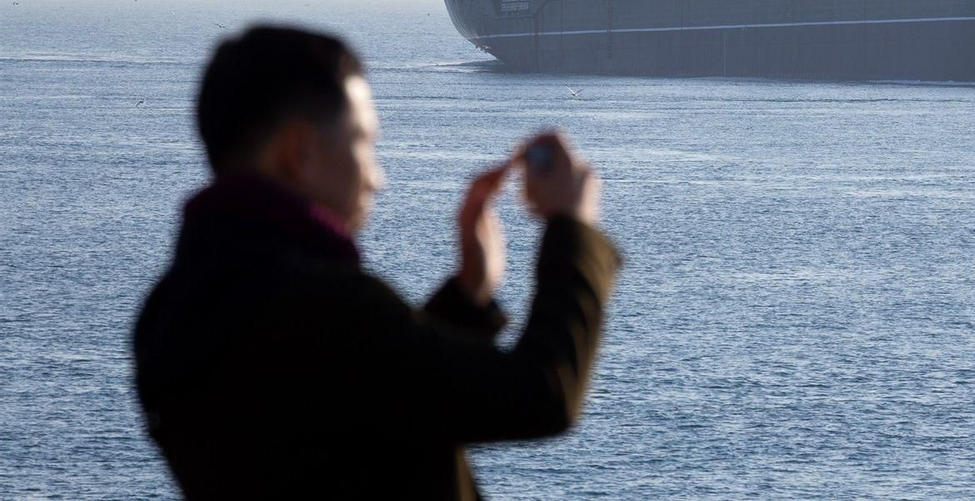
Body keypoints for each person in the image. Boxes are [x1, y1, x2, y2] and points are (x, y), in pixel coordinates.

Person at [132, 25, 621, 499]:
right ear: (298, 152)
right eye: (363, 142)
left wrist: (469, 293)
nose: (376, 178)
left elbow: (363, 407)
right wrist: (572, 228)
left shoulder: (173, 310)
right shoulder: (326, 309)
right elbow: (543, 395)